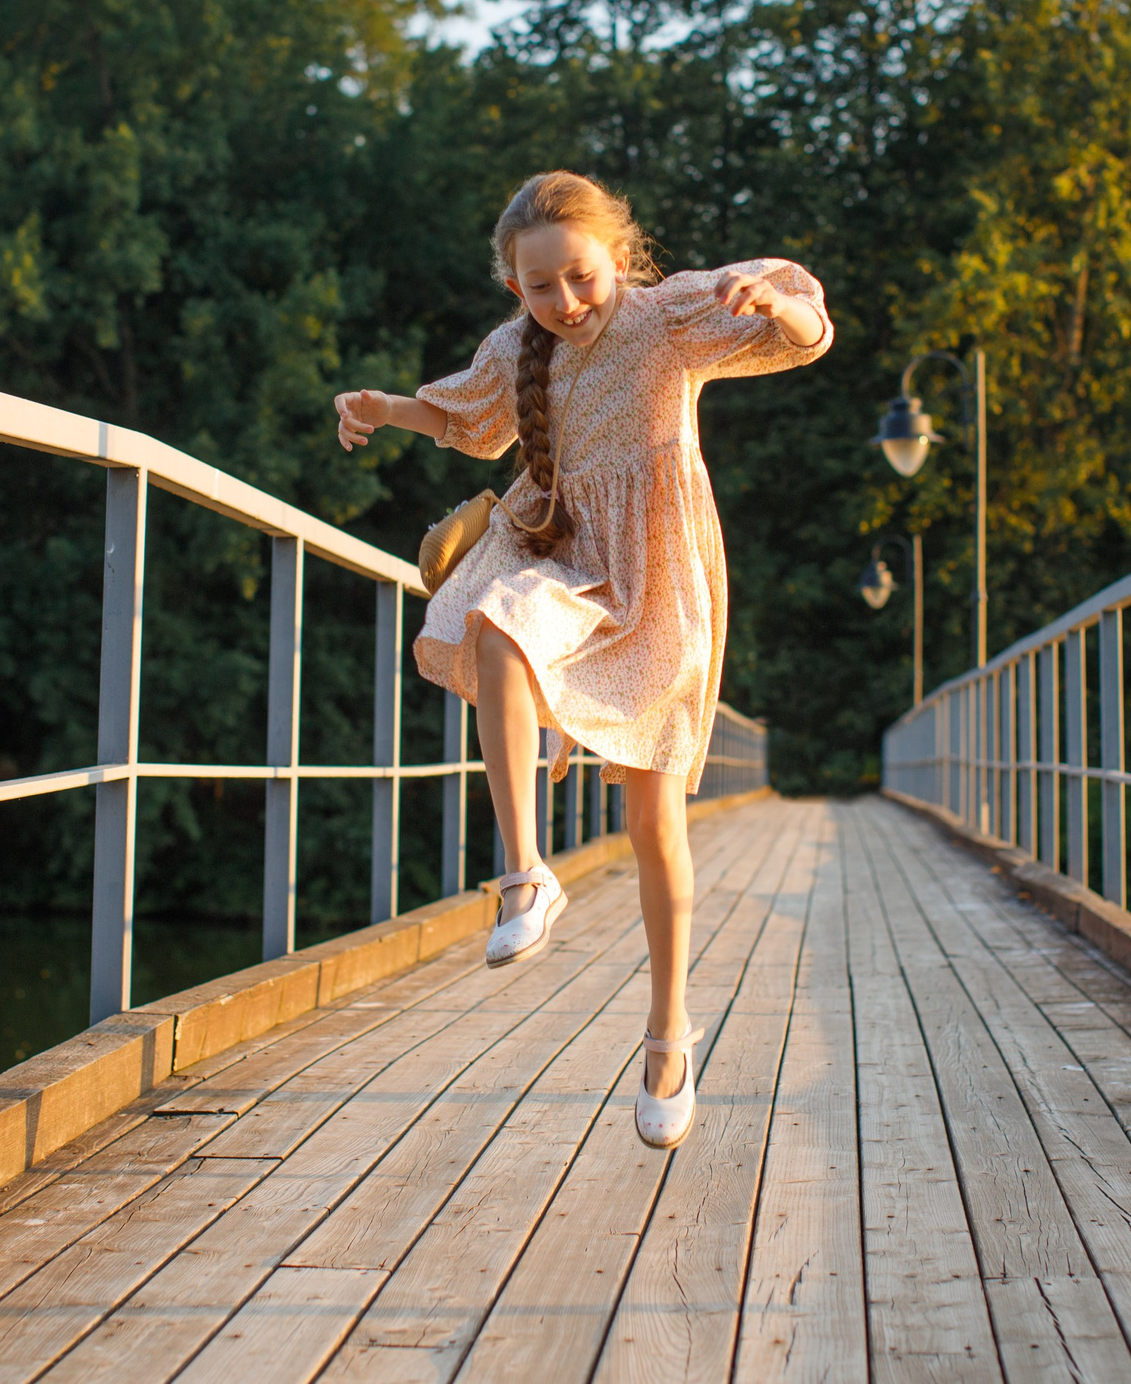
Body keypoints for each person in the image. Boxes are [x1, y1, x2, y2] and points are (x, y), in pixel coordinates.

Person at [331, 170, 830, 1149]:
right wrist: (384, 407)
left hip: (659, 580)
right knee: (497, 620)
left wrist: (778, 305)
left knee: (653, 824)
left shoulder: (668, 316)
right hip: (562, 555)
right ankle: (525, 875)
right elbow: (469, 421)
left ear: (618, 261)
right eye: (540, 288)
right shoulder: (515, 349)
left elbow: (804, 327)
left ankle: (667, 1034)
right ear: (514, 288)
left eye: (580, 278)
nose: (565, 303)